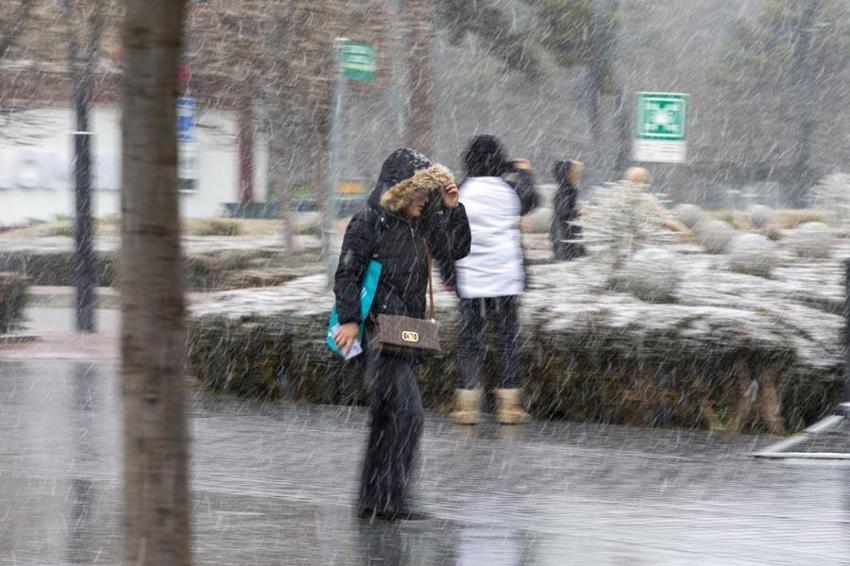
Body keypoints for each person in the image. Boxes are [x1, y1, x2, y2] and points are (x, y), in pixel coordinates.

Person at [333, 148, 471, 521]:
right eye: (421, 192)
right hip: (378, 334)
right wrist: (347, 320)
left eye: (428, 193)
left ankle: (374, 499)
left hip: (404, 331)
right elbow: (347, 274)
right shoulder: (369, 223)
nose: (425, 199)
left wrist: (452, 207)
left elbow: (456, 249)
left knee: (386, 417)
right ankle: (392, 498)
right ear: (401, 190)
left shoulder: (420, 225)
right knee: (409, 415)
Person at [443, 135, 539, 425]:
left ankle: (467, 405)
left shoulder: (459, 191)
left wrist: (448, 275)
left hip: (470, 280)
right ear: (500, 160)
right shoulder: (512, 190)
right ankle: (509, 407)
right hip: (506, 279)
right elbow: (534, 198)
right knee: (506, 341)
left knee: (470, 341)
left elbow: (445, 240)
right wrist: (522, 170)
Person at [550, 159, 587, 260]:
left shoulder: (566, 189)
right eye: (576, 173)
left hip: (566, 230)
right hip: (564, 232)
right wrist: (578, 212)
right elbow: (562, 212)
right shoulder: (566, 190)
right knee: (570, 260)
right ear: (569, 175)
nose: (578, 177)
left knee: (573, 258)